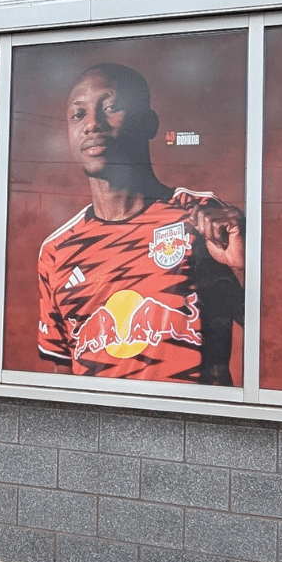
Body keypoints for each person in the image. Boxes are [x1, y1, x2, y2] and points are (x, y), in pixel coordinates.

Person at [38, 63, 244, 384]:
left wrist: (247, 266)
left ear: (149, 124)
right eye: (78, 115)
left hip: (194, 427)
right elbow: (63, 370)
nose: (93, 123)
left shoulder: (200, 217)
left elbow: (273, 328)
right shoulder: (57, 251)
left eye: (111, 107)